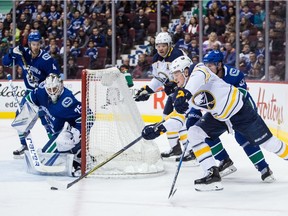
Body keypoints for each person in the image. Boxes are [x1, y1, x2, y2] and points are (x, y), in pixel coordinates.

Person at [141, 58, 288, 191]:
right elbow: (179, 118)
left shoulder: (199, 70)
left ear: (186, 71)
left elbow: (195, 80)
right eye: (172, 75)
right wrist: (159, 129)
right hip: (219, 117)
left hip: (240, 112)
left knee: (270, 144)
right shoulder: (184, 92)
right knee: (194, 132)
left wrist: (184, 94)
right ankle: (212, 174)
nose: (174, 79)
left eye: (176, 74)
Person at [2, 31, 61, 157]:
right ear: (29, 44)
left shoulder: (46, 59)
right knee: (20, 118)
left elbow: (56, 76)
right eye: (33, 44)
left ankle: (56, 143)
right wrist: (12, 52)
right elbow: (5, 62)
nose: (36, 46)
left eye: (38, 44)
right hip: (30, 93)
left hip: (44, 93)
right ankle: (24, 145)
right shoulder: (23, 55)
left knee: (46, 119)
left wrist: (47, 85)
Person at [134, 32, 188, 160]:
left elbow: (184, 75)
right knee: (166, 117)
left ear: (169, 45)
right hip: (173, 91)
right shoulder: (156, 59)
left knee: (180, 119)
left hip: (183, 90)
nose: (160, 48)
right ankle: (175, 148)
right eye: (158, 46)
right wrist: (147, 90)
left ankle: (189, 150)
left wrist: (173, 84)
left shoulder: (177, 55)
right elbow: (159, 78)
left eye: (163, 45)